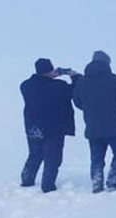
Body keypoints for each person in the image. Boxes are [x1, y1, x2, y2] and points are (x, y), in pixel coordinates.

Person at [73, 50, 116, 193]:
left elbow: (77, 102)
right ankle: (112, 181)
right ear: (107, 64)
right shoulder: (114, 80)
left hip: (93, 127)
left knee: (97, 158)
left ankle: (97, 184)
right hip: (115, 126)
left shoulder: (82, 82)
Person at [20, 58, 81, 193]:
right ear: (50, 70)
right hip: (54, 128)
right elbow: (74, 91)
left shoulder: (25, 86)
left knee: (35, 154)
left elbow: (40, 84)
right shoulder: (59, 86)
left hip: (33, 127)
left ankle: (27, 180)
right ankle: (47, 186)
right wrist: (74, 76)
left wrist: (49, 76)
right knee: (52, 158)